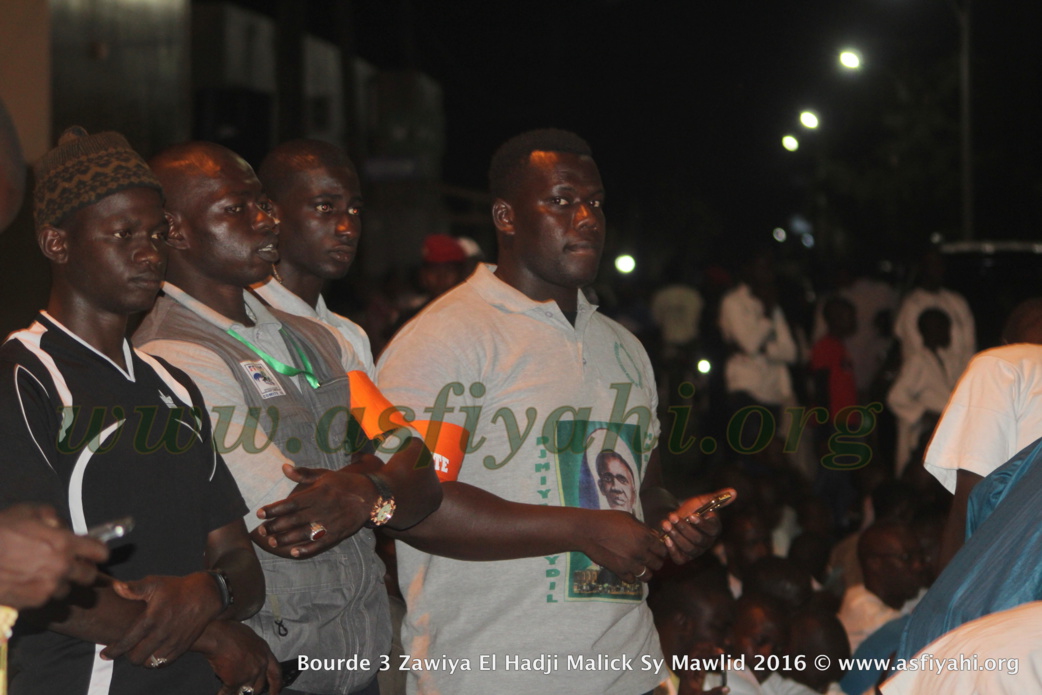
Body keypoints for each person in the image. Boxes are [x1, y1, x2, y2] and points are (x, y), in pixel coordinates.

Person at [377, 128, 731, 694]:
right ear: (506, 216)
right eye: (562, 201)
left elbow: (647, 487)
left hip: (629, 668)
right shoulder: (448, 338)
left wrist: (673, 525)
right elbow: (413, 506)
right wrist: (582, 529)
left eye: (595, 202)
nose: (588, 218)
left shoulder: (624, 346)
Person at [134, 141, 442, 695]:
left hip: (360, 660)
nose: (265, 220)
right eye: (237, 208)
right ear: (175, 231)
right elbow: (291, 525)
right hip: (278, 668)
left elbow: (420, 468)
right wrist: (378, 480)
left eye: (263, 204)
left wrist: (367, 488)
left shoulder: (316, 338)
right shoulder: (173, 355)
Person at [0, 127, 278, 695]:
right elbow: (34, 577)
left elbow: (238, 561)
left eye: (155, 232)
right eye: (122, 233)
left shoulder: (170, 383)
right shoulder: (25, 375)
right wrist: (212, 636)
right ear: (57, 243)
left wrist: (213, 592)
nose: (149, 252)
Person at [924, 297, 1042, 569]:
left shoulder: (1001, 365)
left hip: (1020, 567)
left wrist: (944, 601)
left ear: (1005, 341)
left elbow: (974, 494)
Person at [253, 138, 375, 378]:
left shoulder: (351, 335)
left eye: (355, 210)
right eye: (325, 207)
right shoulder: (244, 323)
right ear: (271, 212)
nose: (348, 228)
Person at [887, 308, 960, 474]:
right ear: (931, 330)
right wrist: (923, 414)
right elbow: (895, 396)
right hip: (923, 434)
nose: (949, 333)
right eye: (944, 327)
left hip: (942, 430)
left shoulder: (946, 358)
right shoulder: (917, 360)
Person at [838, 522, 925, 651]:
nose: (918, 565)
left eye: (920, 556)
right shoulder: (866, 614)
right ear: (874, 564)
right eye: (907, 557)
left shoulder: (900, 595)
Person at [893, 248, 975, 375]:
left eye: (940, 264)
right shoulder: (912, 305)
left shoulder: (957, 302)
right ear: (921, 268)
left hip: (960, 380)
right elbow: (915, 350)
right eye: (932, 264)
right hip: (927, 385)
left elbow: (969, 345)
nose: (937, 269)